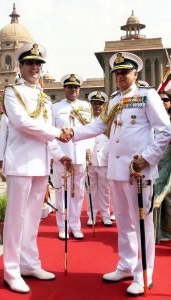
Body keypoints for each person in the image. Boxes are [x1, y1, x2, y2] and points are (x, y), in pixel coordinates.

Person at [63, 52, 171, 296]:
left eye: (125, 72)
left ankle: (145, 271)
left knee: (141, 223)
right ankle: (125, 264)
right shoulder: (113, 101)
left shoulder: (147, 96)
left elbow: (164, 130)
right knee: (123, 222)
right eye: (117, 73)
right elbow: (99, 126)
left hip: (138, 171)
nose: (120, 76)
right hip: (117, 171)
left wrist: (148, 158)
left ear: (135, 74)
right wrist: (73, 132)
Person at [2, 43, 71, 294]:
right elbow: (22, 123)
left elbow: (47, 137)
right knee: (15, 219)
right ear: (20, 66)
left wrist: (60, 156)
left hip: (41, 165)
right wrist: (57, 132)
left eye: (38, 64)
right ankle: (11, 270)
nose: (34, 67)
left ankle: (30, 263)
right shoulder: (12, 92)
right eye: (29, 63)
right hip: (20, 164)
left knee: (33, 218)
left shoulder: (43, 97)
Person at [50, 74, 93, 240]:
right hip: (62, 156)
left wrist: (89, 149)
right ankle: (63, 226)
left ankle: (75, 225)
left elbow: (90, 131)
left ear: (79, 89)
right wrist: (58, 155)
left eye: (75, 87)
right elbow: (51, 134)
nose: (73, 90)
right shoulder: (55, 108)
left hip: (80, 156)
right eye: (69, 87)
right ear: (64, 89)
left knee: (78, 193)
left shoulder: (85, 106)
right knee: (61, 193)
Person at [86, 91, 112, 226]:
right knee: (91, 190)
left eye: (100, 104)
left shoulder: (108, 120)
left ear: (104, 105)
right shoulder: (86, 120)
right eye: (95, 103)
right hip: (90, 160)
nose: (97, 106)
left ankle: (106, 215)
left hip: (104, 159)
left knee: (105, 190)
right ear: (91, 105)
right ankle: (91, 215)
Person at [153, 91, 171, 243]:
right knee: (155, 197)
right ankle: (156, 233)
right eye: (160, 100)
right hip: (154, 163)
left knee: (168, 198)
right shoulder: (151, 119)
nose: (163, 102)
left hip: (169, 163)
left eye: (166, 99)